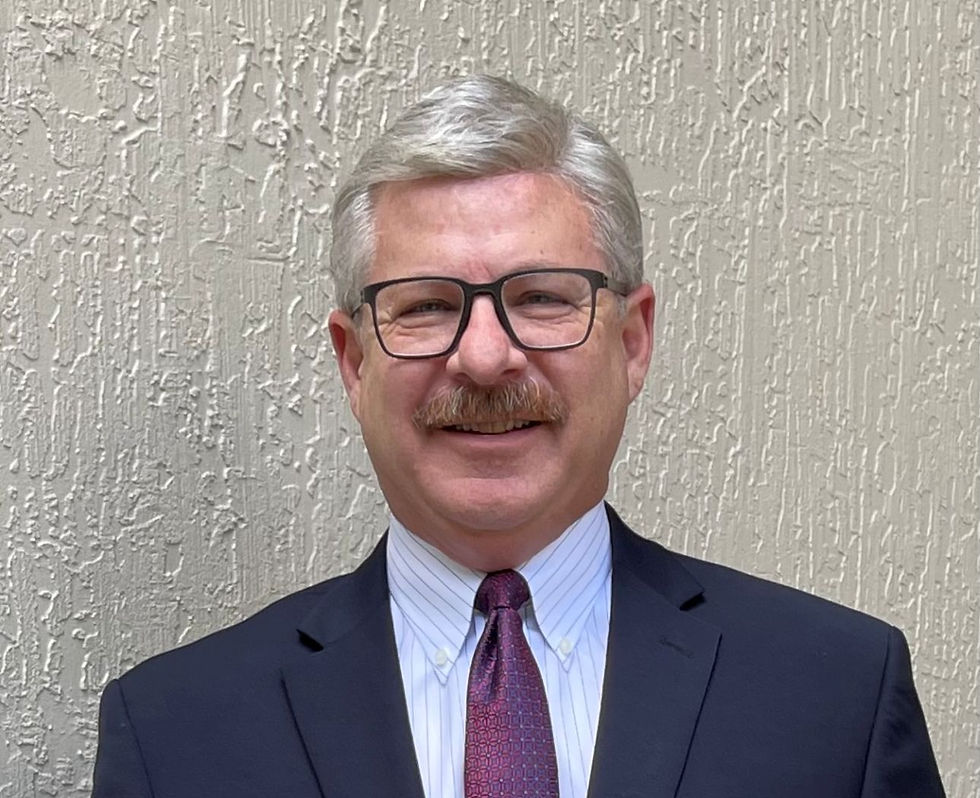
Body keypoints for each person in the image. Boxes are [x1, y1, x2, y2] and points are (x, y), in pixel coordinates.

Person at [92, 75, 945, 797]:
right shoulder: (175, 736)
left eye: (542, 297)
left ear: (633, 341)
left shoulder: (837, 698)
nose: (487, 357)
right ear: (354, 362)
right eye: (426, 306)